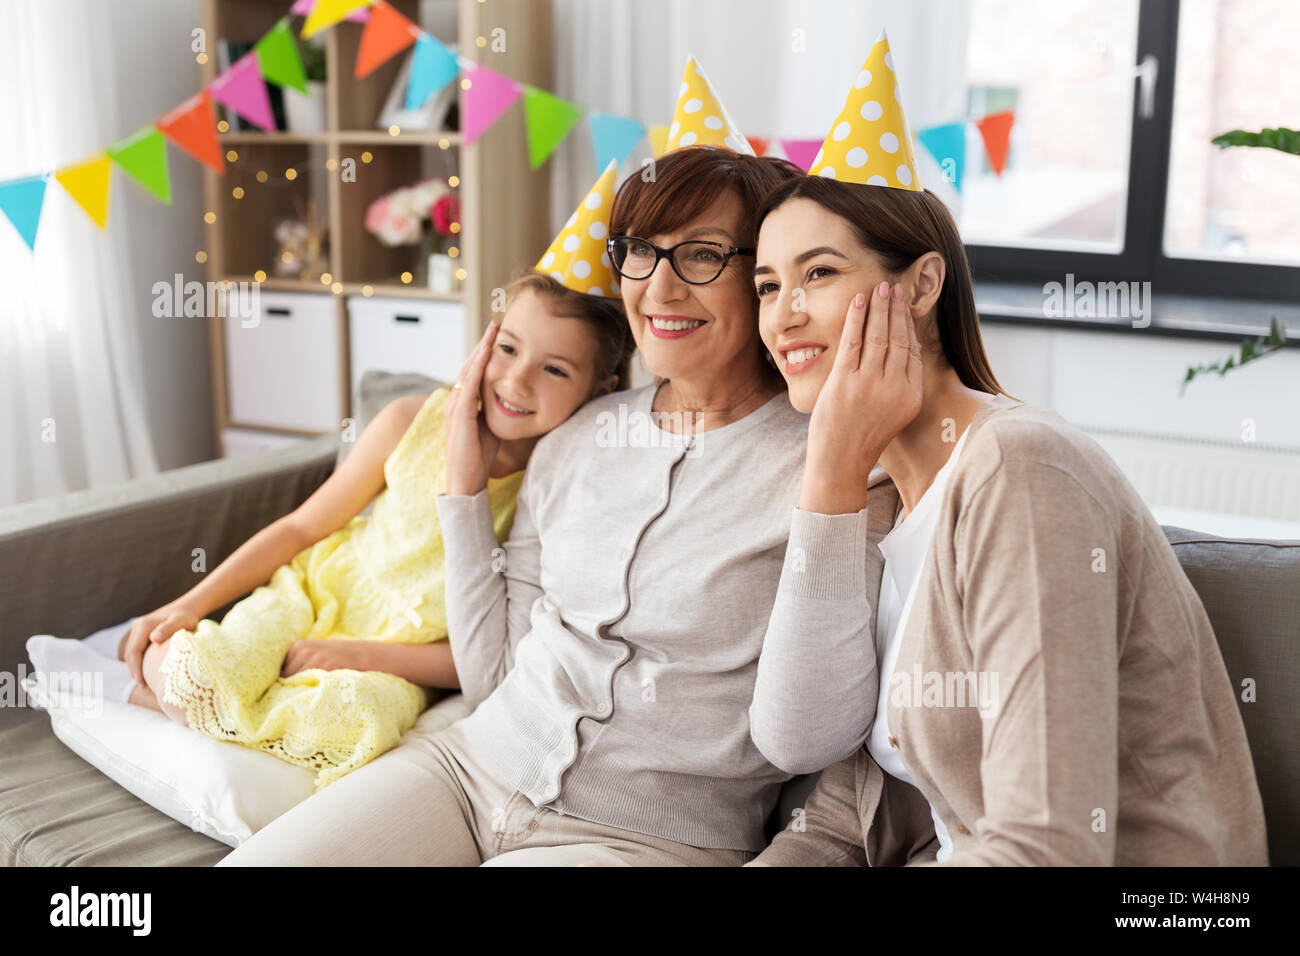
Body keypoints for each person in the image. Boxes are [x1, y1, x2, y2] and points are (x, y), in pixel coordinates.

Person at [218, 63, 812, 866]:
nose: (660, 286)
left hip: (649, 837)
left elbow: (818, 725)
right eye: (640, 251)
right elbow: (491, 672)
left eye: (702, 255)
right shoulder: (575, 443)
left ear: (762, 275)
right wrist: (463, 487)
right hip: (467, 768)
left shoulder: (823, 464)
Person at [745, 32, 1268, 865]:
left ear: (920, 286)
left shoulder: (1020, 472)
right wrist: (830, 473)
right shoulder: (879, 495)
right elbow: (808, 758)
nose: (783, 314)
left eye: (818, 274)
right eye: (768, 285)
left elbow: (1049, 847)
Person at [114, 270, 629, 788]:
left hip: (404, 659)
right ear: (484, 344)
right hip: (312, 594)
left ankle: (209, 721)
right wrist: (189, 605)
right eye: (509, 349)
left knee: (357, 726)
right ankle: (193, 704)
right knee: (196, 673)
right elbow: (300, 528)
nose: (517, 381)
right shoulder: (411, 420)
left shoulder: (555, 491)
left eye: (555, 370)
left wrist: (357, 655)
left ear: (601, 390)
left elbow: (494, 661)